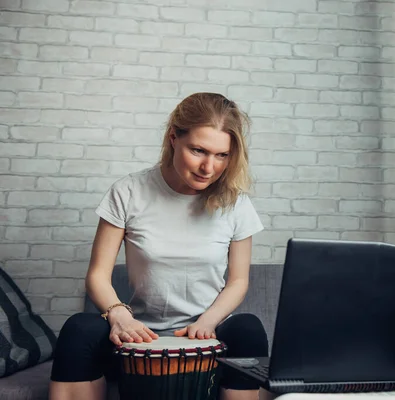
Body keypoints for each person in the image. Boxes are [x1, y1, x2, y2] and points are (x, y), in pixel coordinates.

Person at [49, 93, 268, 400]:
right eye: (198, 150)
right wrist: (118, 315)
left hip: (207, 333)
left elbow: (239, 281)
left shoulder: (237, 203)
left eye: (222, 155)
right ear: (173, 138)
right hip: (139, 336)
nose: (209, 167)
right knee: (78, 329)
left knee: (248, 329)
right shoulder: (128, 192)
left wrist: (208, 321)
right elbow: (98, 275)